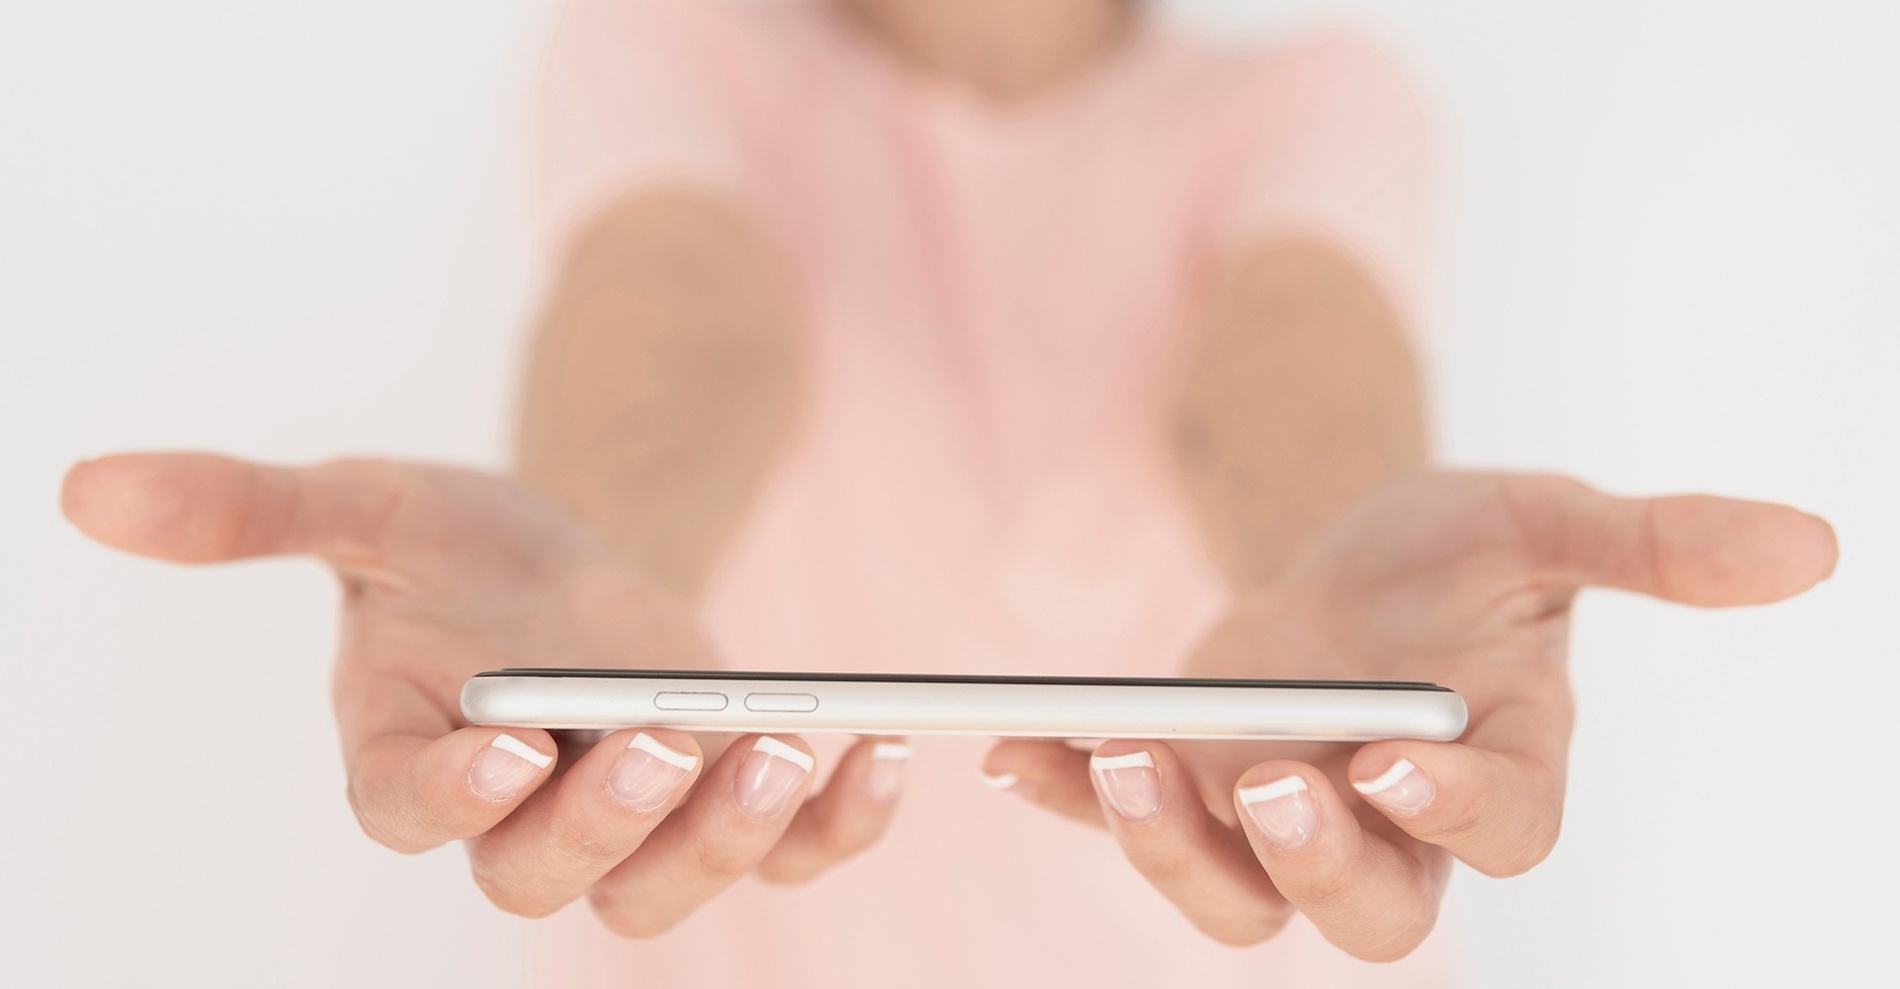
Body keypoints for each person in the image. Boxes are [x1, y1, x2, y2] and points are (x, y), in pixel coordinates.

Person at [58, 0, 1838, 985]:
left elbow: (1294, 362)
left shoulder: (1322, 95)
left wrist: (1338, 564)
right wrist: (600, 549)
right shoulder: (669, 44)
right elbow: (682, 309)